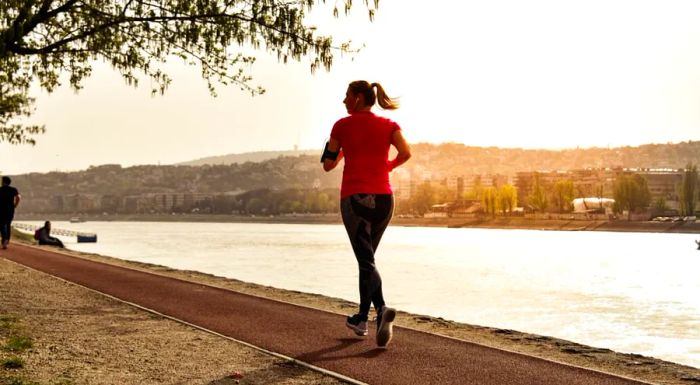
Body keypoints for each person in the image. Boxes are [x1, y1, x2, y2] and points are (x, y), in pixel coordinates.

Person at [321, 80, 411, 348]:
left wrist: (337, 147)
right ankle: (361, 318)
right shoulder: (389, 126)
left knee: (366, 260)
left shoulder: (341, 125)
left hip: (357, 199)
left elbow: (328, 164)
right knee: (367, 260)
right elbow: (406, 153)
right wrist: (390, 166)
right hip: (385, 199)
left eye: (347, 96)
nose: (344, 100)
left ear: (358, 98)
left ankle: (381, 309)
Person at [0, 176, 21, 250]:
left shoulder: (1, 189)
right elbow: (18, 197)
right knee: (8, 225)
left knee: (2, 225)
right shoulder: (13, 190)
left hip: (2, 210)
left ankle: (4, 240)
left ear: (4, 182)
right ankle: (7, 240)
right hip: (10, 210)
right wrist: (15, 205)